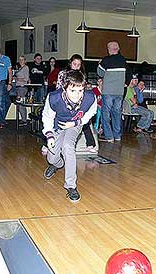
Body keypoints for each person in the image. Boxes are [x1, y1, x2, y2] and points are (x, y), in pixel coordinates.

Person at [42, 70, 97, 202]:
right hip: (57, 126)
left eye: (80, 91)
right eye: (73, 91)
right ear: (65, 88)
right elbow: (47, 117)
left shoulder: (90, 97)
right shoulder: (54, 98)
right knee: (52, 158)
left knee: (68, 146)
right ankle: (57, 164)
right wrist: (49, 136)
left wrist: (77, 122)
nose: (77, 95)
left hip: (75, 125)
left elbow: (92, 112)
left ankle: (71, 186)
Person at [56, 54, 96, 152]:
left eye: (78, 65)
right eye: (74, 64)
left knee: (84, 119)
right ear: (70, 63)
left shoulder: (81, 75)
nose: (76, 67)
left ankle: (90, 144)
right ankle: (48, 144)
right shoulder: (63, 73)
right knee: (56, 120)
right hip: (64, 100)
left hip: (78, 101)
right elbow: (59, 87)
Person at [97, 41, 127, 143]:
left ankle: (109, 137)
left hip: (108, 91)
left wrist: (99, 64)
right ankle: (117, 136)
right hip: (119, 91)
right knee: (117, 114)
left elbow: (100, 73)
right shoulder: (123, 60)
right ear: (118, 49)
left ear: (109, 50)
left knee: (106, 114)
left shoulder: (106, 60)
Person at [14, 55, 30, 126]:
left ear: (25, 61)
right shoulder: (20, 68)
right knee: (20, 103)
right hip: (18, 87)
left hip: (22, 87)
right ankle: (23, 119)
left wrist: (17, 79)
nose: (21, 61)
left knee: (21, 104)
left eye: (22, 60)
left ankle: (24, 120)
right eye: (20, 60)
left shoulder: (26, 68)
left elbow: (26, 79)